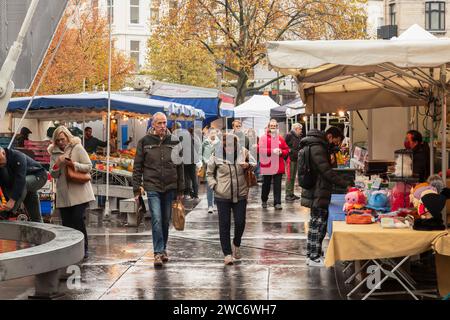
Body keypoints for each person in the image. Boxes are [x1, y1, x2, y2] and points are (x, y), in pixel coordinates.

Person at [132, 112, 184, 267]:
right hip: (152, 185)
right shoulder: (144, 142)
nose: (163, 126)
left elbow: (180, 166)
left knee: (165, 219)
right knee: (156, 217)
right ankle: (157, 252)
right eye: (159, 123)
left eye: (164, 123)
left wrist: (181, 189)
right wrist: (136, 189)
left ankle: (164, 248)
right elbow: (137, 167)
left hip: (170, 186)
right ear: (153, 124)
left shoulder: (174, 142)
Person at [300, 126, 353, 267]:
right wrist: (345, 185)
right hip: (318, 191)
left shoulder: (317, 146)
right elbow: (326, 171)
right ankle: (313, 257)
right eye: (336, 141)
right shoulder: (318, 148)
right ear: (329, 136)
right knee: (317, 224)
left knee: (317, 223)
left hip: (318, 190)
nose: (336, 144)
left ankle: (314, 254)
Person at [206, 134, 255, 265]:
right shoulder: (216, 155)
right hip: (222, 195)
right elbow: (209, 173)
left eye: (231, 145)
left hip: (240, 194)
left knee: (240, 222)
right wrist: (214, 186)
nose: (229, 148)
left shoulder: (243, 152)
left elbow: (254, 164)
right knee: (224, 224)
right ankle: (227, 254)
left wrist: (248, 165)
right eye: (226, 145)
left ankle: (236, 244)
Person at [48, 126, 95, 258]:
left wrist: (73, 164)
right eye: (57, 140)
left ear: (68, 137)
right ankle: (70, 249)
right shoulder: (53, 153)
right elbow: (53, 174)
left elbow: (89, 166)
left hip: (80, 192)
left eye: (62, 139)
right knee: (67, 224)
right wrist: (57, 163)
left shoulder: (77, 148)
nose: (61, 142)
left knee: (77, 219)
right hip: (63, 194)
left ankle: (84, 248)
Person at [0, 147, 48, 222]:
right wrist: (4, 202)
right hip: (26, 185)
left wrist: (12, 202)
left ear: (3, 153)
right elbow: (3, 185)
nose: (0, 164)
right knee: (35, 218)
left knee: (24, 183)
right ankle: (39, 225)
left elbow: (20, 180)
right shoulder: (2, 165)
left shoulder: (17, 156)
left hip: (40, 176)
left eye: (0, 161)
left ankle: (9, 212)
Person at [258, 119, 289, 210]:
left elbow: (286, 150)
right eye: (271, 126)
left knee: (277, 185)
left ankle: (277, 202)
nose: (273, 127)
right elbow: (260, 150)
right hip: (267, 165)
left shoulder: (280, 138)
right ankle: (264, 200)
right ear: (268, 127)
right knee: (266, 184)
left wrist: (281, 152)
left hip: (278, 166)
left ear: (277, 127)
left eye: (275, 126)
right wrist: (272, 151)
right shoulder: (263, 138)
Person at [202, 128, 220, 213]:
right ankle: (210, 205)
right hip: (207, 166)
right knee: (209, 186)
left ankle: (216, 203)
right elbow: (200, 153)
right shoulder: (205, 143)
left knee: (217, 185)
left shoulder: (219, 143)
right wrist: (204, 160)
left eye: (214, 133)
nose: (213, 134)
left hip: (217, 167)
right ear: (209, 134)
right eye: (211, 133)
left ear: (216, 133)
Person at [284, 123, 303, 201]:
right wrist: (289, 151)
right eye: (300, 129)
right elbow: (284, 145)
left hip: (295, 158)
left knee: (293, 177)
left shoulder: (297, 136)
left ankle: (291, 193)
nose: (301, 131)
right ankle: (288, 194)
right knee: (289, 176)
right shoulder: (289, 135)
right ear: (296, 129)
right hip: (290, 159)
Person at [183, 127, 201, 200]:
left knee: (187, 177)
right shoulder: (194, 138)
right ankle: (195, 194)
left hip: (185, 160)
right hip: (193, 159)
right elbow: (198, 146)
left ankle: (188, 193)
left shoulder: (184, 138)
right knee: (194, 177)